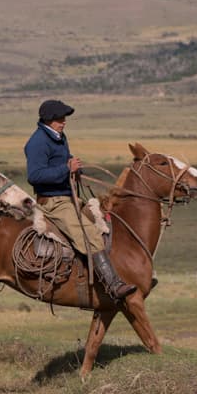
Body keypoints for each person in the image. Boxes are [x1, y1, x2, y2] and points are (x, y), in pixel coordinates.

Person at [24, 99, 135, 301]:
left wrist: (75, 167)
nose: (64, 121)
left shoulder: (58, 136)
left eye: (64, 117)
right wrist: (66, 169)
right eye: (60, 118)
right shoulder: (38, 142)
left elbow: (63, 159)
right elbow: (35, 175)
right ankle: (113, 286)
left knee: (103, 218)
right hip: (53, 202)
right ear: (49, 120)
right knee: (89, 234)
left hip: (67, 197)